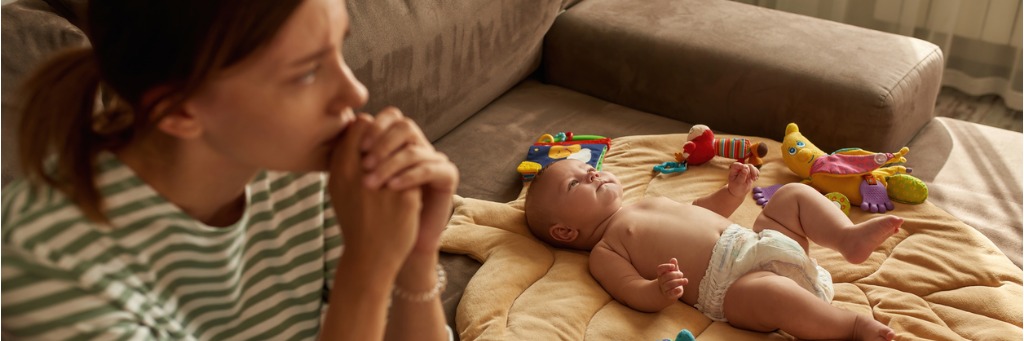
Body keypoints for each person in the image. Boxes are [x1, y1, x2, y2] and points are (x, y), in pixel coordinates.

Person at [2, 0, 458, 340]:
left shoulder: (304, 165)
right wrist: (368, 268)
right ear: (178, 110)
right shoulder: (43, 268)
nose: (355, 93)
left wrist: (413, 258)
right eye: (305, 73)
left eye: (340, 47)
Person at [524, 159, 900, 341]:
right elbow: (631, 291)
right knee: (771, 294)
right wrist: (658, 289)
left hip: (760, 243)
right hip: (734, 286)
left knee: (792, 196)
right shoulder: (605, 251)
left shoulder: (645, 201)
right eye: (575, 185)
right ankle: (850, 327)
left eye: (587, 167)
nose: (592, 174)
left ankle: (847, 238)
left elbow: (700, 212)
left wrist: (731, 194)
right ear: (565, 231)